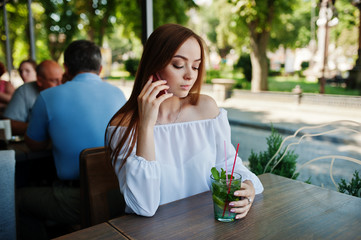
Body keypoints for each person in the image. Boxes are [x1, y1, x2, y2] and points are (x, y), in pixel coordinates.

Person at [106, 24, 264, 219]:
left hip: (207, 225)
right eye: (178, 65)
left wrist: (247, 188)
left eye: (196, 66)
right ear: (154, 66)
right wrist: (146, 125)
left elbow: (228, 163)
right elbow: (144, 206)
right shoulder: (122, 126)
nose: (190, 75)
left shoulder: (206, 109)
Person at [18, 40, 127, 239]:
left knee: (17, 200)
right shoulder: (118, 94)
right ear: (100, 69)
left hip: (78, 198)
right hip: (120, 193)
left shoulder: (47, 97)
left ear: (66, 69)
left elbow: (35, 145)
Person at [3, 60, 63, 136]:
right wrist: (41, 128)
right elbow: (8, 123)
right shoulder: (24, 91)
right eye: (54, 81)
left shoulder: (67, 91)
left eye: (62, 80)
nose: (60, 85)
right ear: (40, 80)